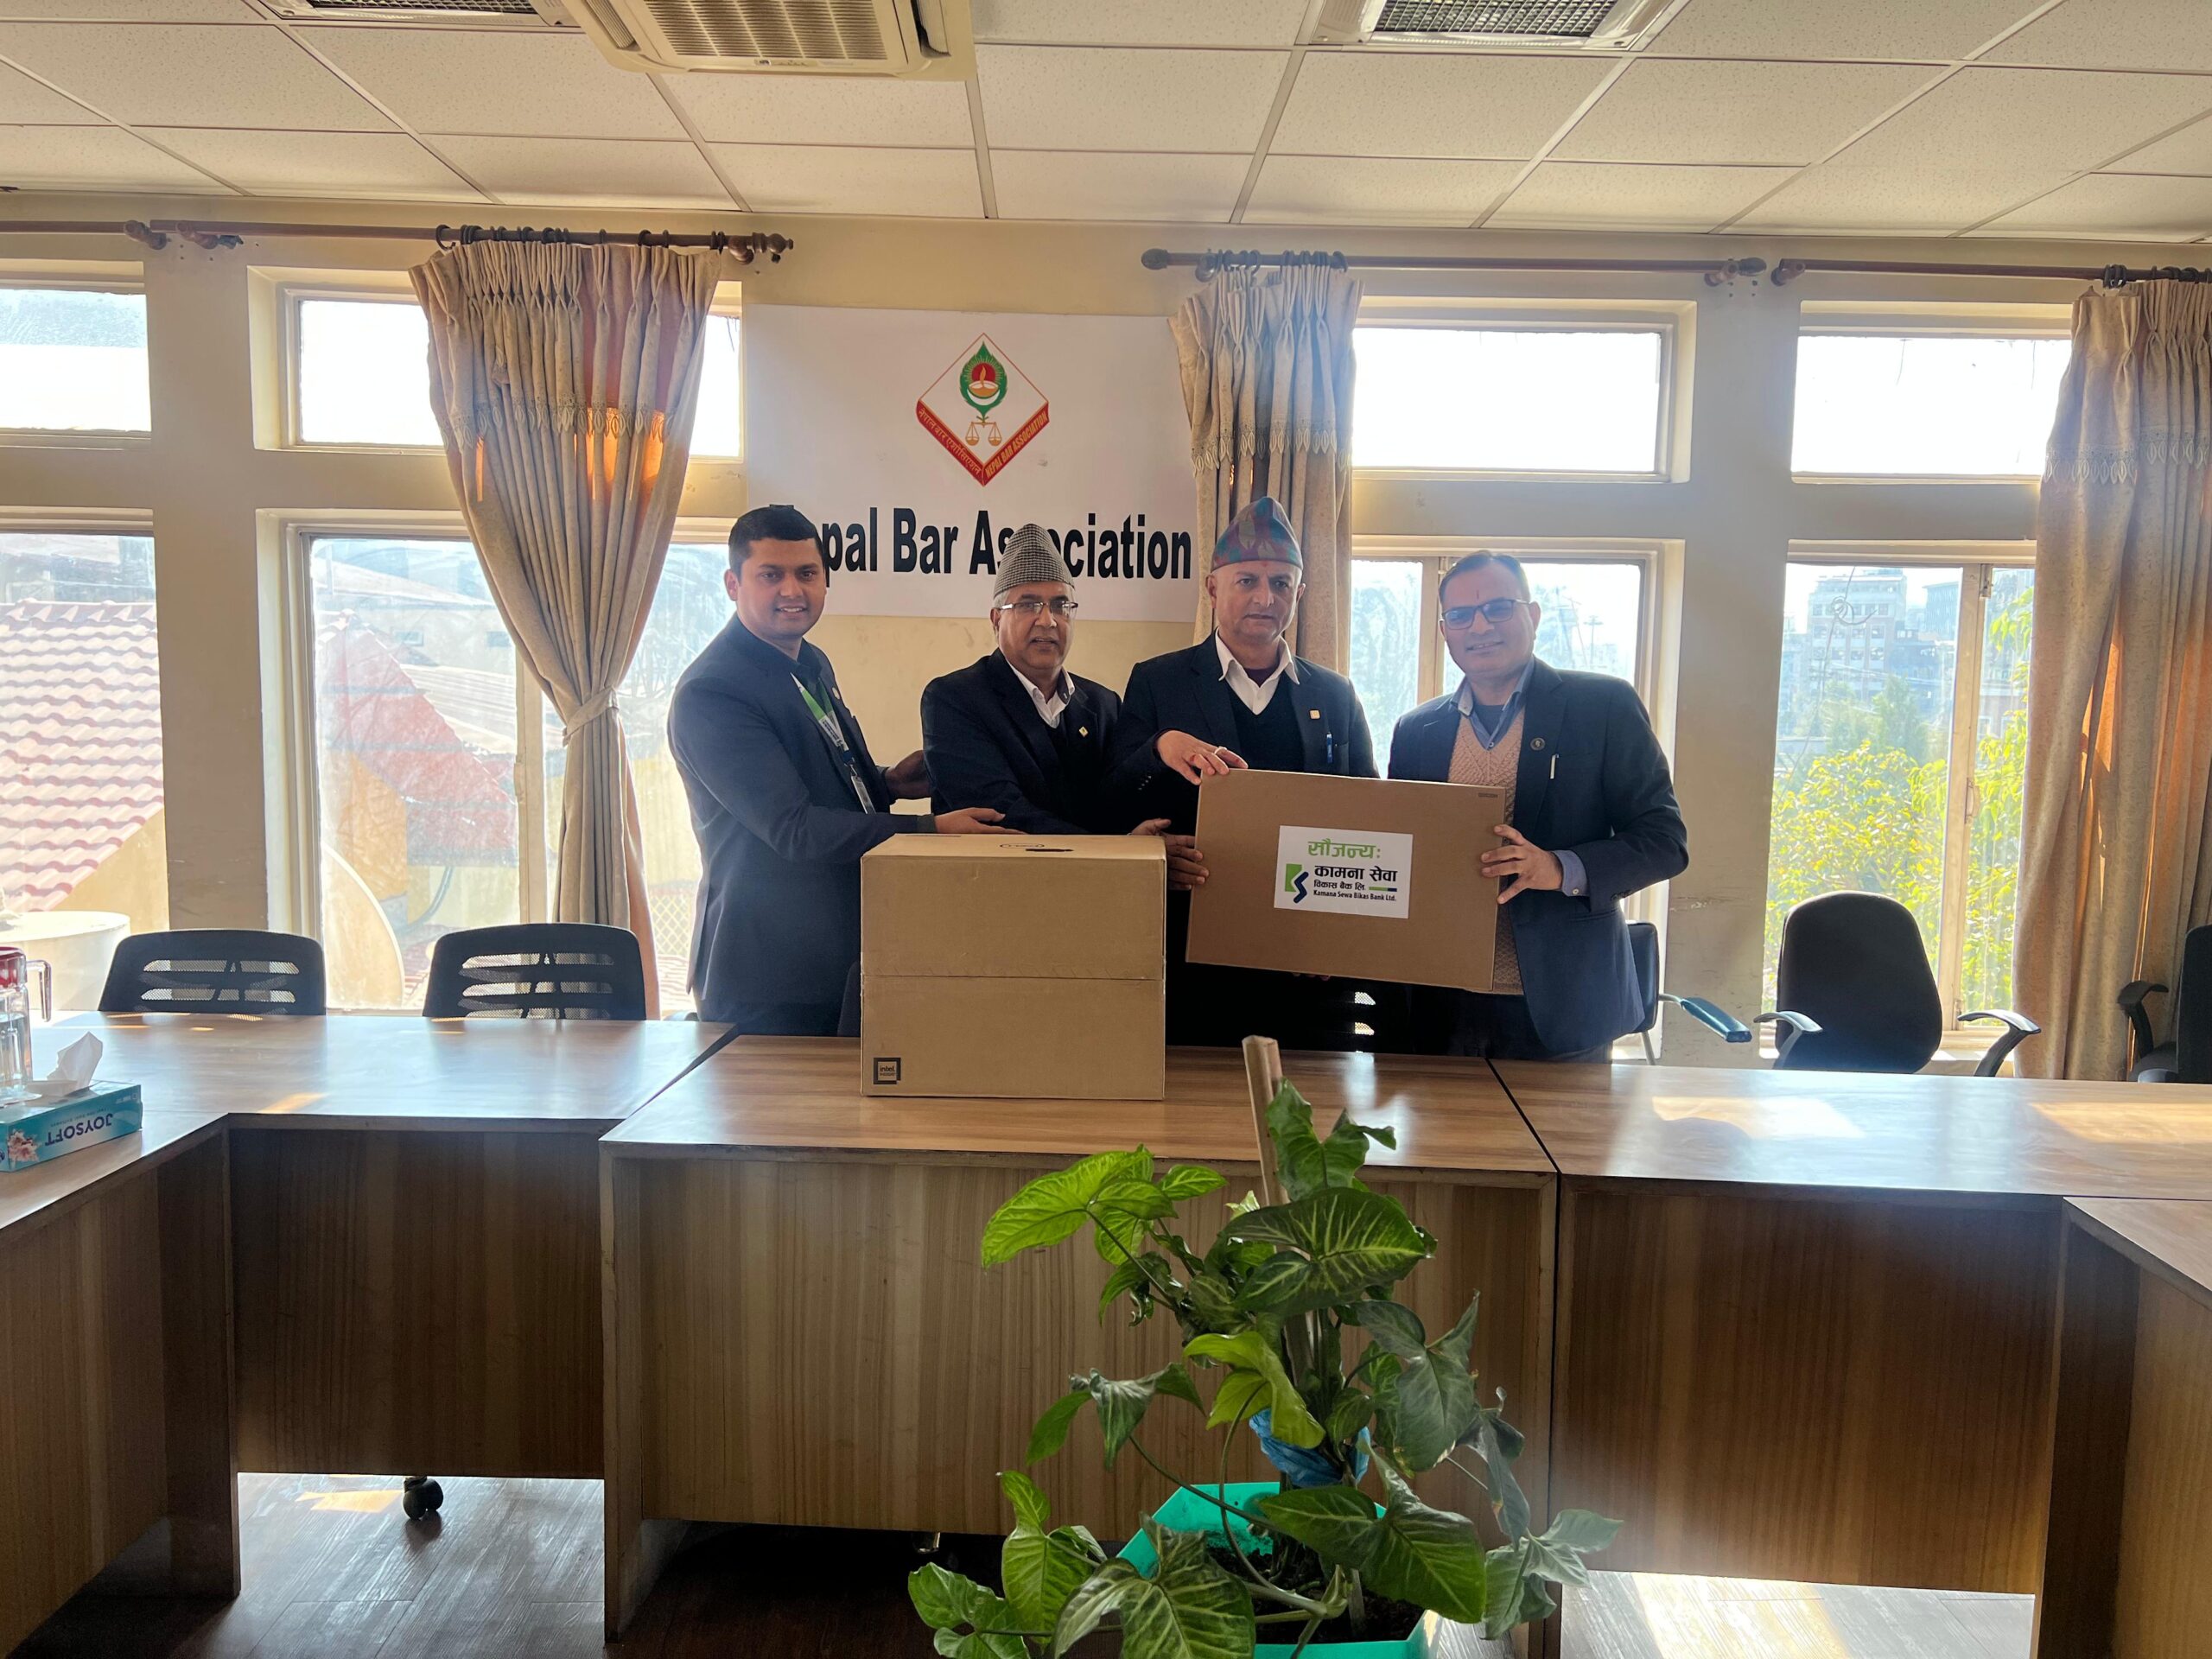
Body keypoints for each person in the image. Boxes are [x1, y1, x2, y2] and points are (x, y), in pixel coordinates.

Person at [670, 504, 1009, 1033]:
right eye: (771, 575)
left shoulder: (810, 662)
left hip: (836, 959)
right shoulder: (714, 691)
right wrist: (930, 831)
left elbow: (817, 776)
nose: (792, 591)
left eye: (807, 573)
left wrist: (887, 783)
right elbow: (793, 828)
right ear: (733, 584)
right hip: (766, 977)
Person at [1388, 550, 1688, 1061]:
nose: (1480, 626)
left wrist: (1559, 868)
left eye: (1498, 608)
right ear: (1444, 631)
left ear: (1533, 615)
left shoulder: (1603, 706)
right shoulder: (1418, 729)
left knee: (1565, 1122)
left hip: (1564, 1004)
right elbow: (1398, 850)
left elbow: (1664, 842)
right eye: (1460, 615)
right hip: (1442, 1002)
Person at [1113, 495, 1378, 1046]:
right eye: (1247, 581)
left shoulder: (1335, 694)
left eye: (1281, 583)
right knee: (1193, 1098)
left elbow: (1369, 819)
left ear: (1300, 594)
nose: (1264, 597)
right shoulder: (1158, 682)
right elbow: (1113, 800)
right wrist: (1151, 844)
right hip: (1189, 951)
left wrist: (1341, 929)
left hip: (1306, 959)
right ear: (1213, 588)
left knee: (1310, 1100)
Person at [920, 524, 1145, 836]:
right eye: (1028, 605)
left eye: (1061, 606)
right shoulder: (954, 699)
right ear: (996, 620)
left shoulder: (1103, 704)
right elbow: (1000, 814)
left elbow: (1118, 800)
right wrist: (1116, 848)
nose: (1048, 620)